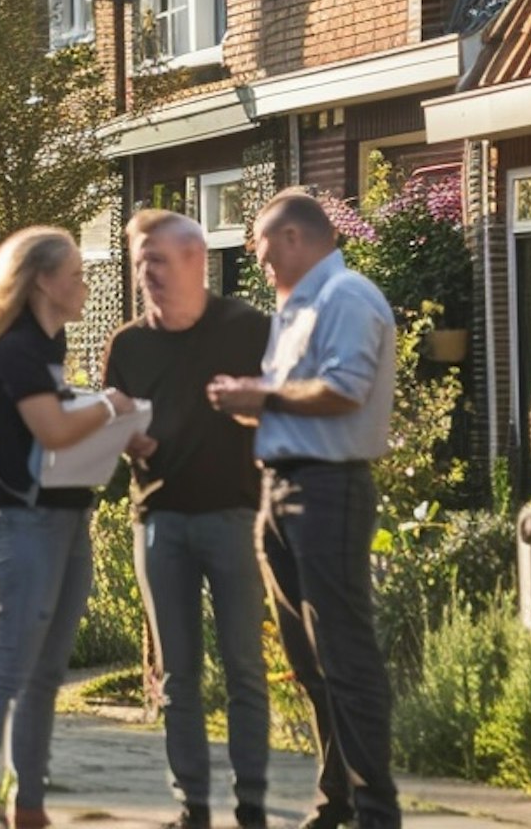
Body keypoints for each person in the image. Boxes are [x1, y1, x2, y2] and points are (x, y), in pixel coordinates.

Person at [206, 190, 401, 829]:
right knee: (309, 659)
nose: (257, 262)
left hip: (328, 490)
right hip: (283, 490)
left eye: (260, 249)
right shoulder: (298, 308)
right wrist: (250, 402)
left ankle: (377, 810)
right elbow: (291, 398)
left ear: (293, 238)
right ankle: (337, 798)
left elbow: (343, 391)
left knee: (344, 652)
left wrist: (262, 396)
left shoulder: (346, 299)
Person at [0, 227, 140, 829]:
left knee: (47, 674)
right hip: (25, 528)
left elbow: (54, 432)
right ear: (42, 282)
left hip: (65, 521)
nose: (84, 283)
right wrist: (112, 406)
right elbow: (53, 431)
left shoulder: (45, 350)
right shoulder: (16, 351)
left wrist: (119, 425)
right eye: (76, 273)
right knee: (6, 669)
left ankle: (28, 805)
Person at [105, 210, 274, 829]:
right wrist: (126, 439)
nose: (146, 273)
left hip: (236, 516)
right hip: (160, 522)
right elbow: (114, 423)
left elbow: (285, 409)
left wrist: (253, 406)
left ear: (197, 261)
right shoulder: (127, 345)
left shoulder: (248, 328)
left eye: (158, 260)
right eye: (140, 262)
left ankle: (251, 807)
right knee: (177, 676)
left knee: (244, 670)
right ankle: (192, 810)